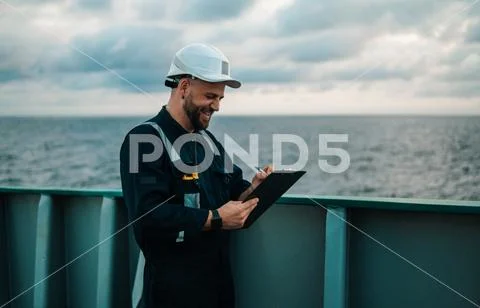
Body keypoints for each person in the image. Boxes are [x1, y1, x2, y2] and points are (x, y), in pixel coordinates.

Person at [119, 43, 273, 308]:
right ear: (184, 87)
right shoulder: (144, 139)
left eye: (220, 98)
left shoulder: (208, 141)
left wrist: (255, 190)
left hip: (219, 290)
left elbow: (234, 188)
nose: (216, 106)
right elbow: (148, 216)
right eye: (210, 96)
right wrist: (215, 218)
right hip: (172, 294)